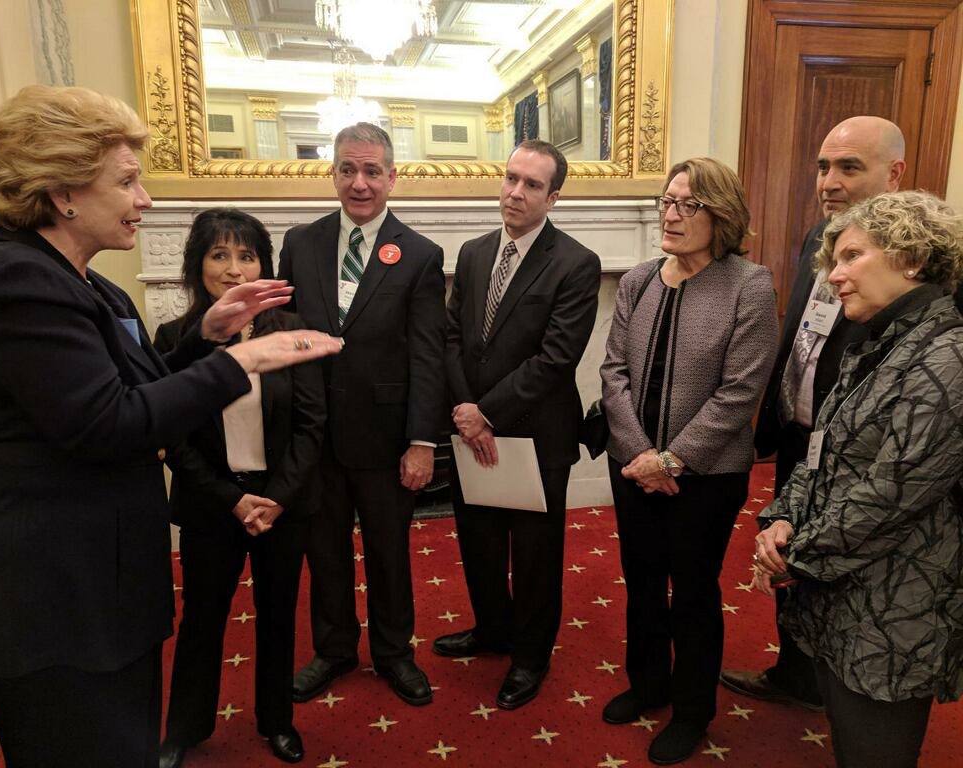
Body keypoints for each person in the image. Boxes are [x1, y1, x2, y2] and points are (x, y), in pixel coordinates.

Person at [0, 86, 341, 768]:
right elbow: (108, 422)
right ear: (63, 192)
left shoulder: (93, 286)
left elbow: (136, 388)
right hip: (52, 595)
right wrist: (241, 360)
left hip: (102, 584)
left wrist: (206, 337)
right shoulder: (13, 281)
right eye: (126, 181)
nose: (145, 199)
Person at [753, 190, 963, 768]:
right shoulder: (880, 343)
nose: (834, 277)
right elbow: (818, 451)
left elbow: (892, 494)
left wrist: (794, 553)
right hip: (845, 593)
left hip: (896, 609)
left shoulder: (948, 358)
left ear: (912, 257)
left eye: (851, 257)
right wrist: (783, 517)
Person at [721, 115, 907, 710]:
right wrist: (770, 423)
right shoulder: (816, 237)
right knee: (788, 551)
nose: (829, 181)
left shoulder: (914, 256)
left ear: (894, 174)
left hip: (863, 454)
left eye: (850, 167)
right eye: (824, 166)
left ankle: (850, 699)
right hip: (804, 437)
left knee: (845, 569)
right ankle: (796, 675)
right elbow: (802, 334)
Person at [599, 158, 778, 764]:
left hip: (707, 476)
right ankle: (648, 683)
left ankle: (692, 710)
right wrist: (639, 454)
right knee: (642, 580)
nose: (670, 215)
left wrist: (672, 461)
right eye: (667, 201)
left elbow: (741, 391)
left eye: (687, 205)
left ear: (720, 215)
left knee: (694, 590)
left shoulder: (749, 285)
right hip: (632, 466)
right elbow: (613, 373)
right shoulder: (639, 280)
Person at [278, 123, 446, 706]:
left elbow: (428, 354)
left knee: (388, 553)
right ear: (332, 174)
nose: (360, 183)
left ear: (392, 177)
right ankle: (334, 649)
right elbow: (285, 336)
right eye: (348, 169)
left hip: (385, 437)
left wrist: (422, 440)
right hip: (314, 435)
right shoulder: (300, 243)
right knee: (323, 550)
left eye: (372, 171)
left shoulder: (421, 255)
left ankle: (394, 653)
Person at [155, 209, 326, 767]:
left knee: (278, 615)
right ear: (197, 264)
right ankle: (184, 729)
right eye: (219, 255)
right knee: (202, 618)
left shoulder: (292, 332)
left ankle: (277, 721)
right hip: (212, 506)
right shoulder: (175, 339)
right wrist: (231, 499)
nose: (234, 269)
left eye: (247, 256)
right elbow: (174, 436)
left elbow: (311, 426)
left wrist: (277, 498)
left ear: (264, 267)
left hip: (281, 504)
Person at [435, 139, 600, 709]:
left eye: (532, 185)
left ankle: (530, 657)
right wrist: (465, 411)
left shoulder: (576, 263)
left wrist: (486, 413)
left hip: (536, 436)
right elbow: (452, 337)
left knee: (533, 558)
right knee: (478, 544)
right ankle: (492, 630)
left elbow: (556, 359)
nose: (515, 192)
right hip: (470, 429)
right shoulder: (474, 252)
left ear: (553, 198)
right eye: (511, 178)